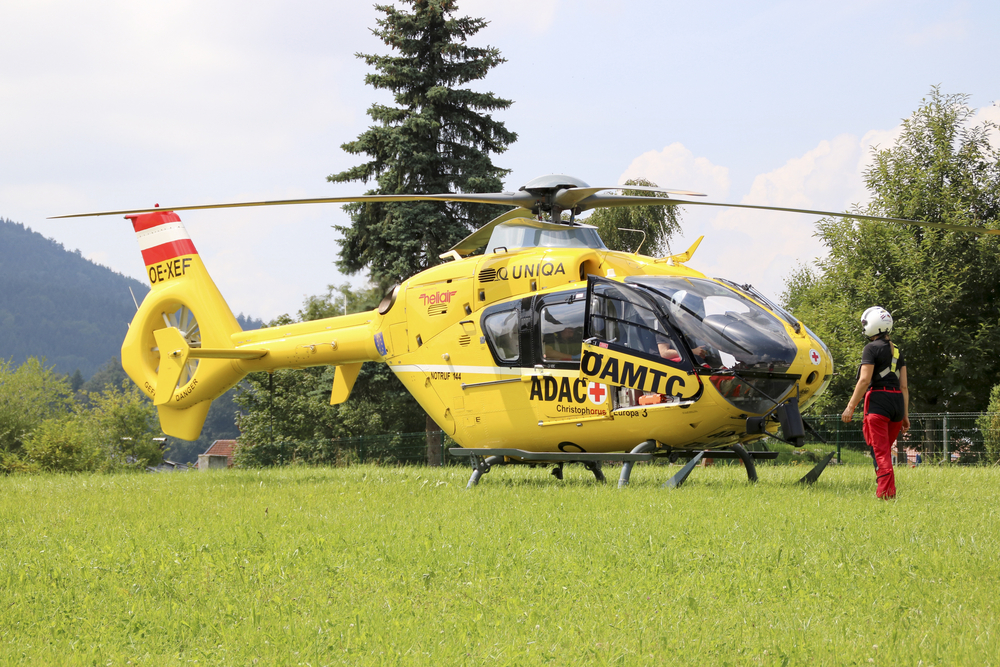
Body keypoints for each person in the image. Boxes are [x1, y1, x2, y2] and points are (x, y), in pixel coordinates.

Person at [841, 306, 910, 499]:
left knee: (880, 453)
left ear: (873, 325)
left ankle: (886, 495)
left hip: (878, 402)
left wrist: (850, 406)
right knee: (883, 451)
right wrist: (905, 415)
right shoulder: (897, 351)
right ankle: (886, 489)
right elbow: (904, 386)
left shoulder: (870, 348)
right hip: (896, 403)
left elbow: (864, 380)